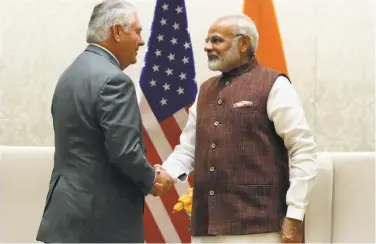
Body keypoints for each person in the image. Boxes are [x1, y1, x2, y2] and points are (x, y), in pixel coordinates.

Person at [158, 14, 318, 243]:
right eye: (207, 40)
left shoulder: (274, 84)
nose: (206, 47)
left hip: (259, 229)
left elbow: (303, 150)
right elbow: (188, 148)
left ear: (244, 44)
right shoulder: (205, 90)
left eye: (216, 40)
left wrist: (295, 214)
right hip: (205, 227)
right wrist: (167, 173)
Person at [36, 0, 171, 242]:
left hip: (65, 216)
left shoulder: (70, 74)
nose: (142, 40)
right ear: (117, 32)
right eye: (137, 31)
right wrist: (153, 179)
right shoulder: (114, 81)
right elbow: (125, 152)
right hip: (102, 224)